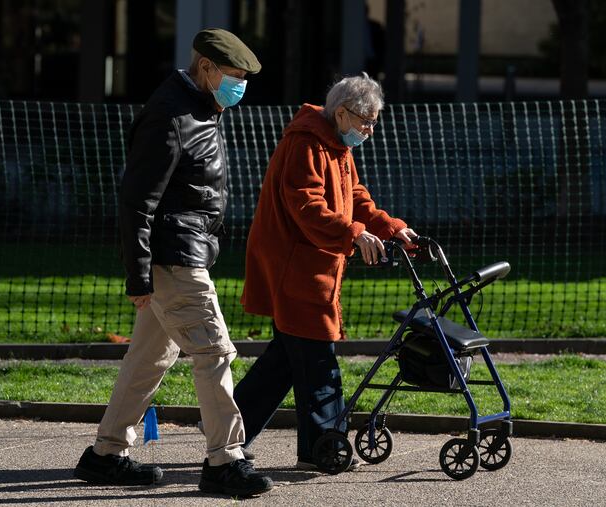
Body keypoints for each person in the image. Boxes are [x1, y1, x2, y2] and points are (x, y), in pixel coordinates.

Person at [73, 28, 273, 498]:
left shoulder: (201, 108)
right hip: (173, 258)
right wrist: (138, 272)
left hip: (180, 252)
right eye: (234, 75)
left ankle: (105, 456)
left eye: (244, 77)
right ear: (206, 67)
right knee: (215, 352)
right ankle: (225, 460)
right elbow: (137, 200)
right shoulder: (170, 115)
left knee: (149, 357)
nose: (239, 85)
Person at [233, 73, 416, 469]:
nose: (370, 130)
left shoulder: (334, 143)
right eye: (366, 121)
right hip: (296, 266)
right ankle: (323, 449)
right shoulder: (305, 143)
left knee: (286, 359)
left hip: (310, 264)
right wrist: (355, 234)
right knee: (318, 360)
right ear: (342, 113)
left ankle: (228, 432)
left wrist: (390, 226)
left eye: (373, 122)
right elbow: (307, 207)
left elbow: (353, 196)